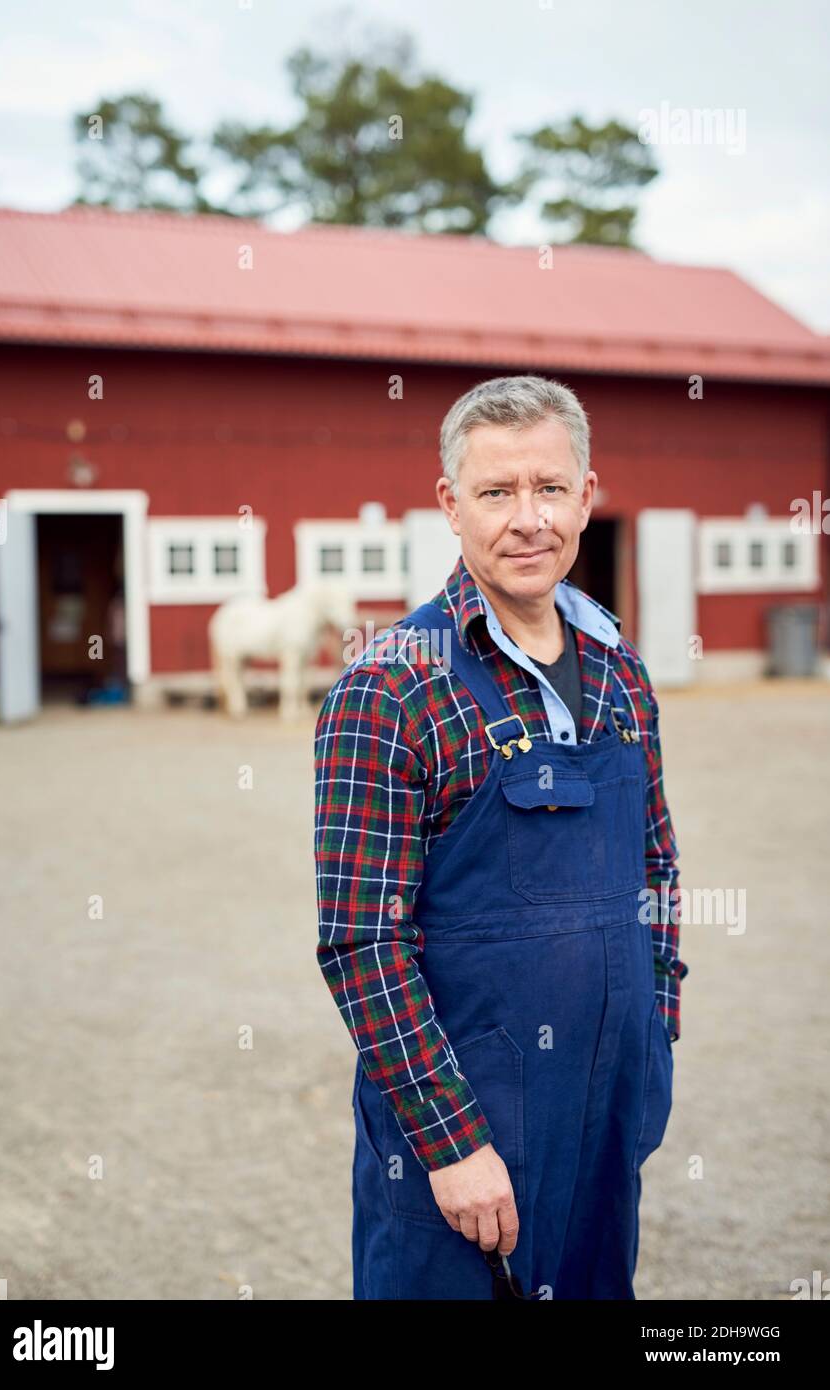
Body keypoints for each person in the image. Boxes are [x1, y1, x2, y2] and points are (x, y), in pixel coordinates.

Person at [313, 375, 687, 1300]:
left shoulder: (619, 671)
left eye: (550, 489)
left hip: (604, 1120)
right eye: (496, 492)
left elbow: (657, 865)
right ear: (450, 505)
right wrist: (450, 1146)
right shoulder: (392, 689)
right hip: (467, 1134)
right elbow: (363, 944)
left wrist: (655, 1038)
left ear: (587, 497)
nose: (529, 520)